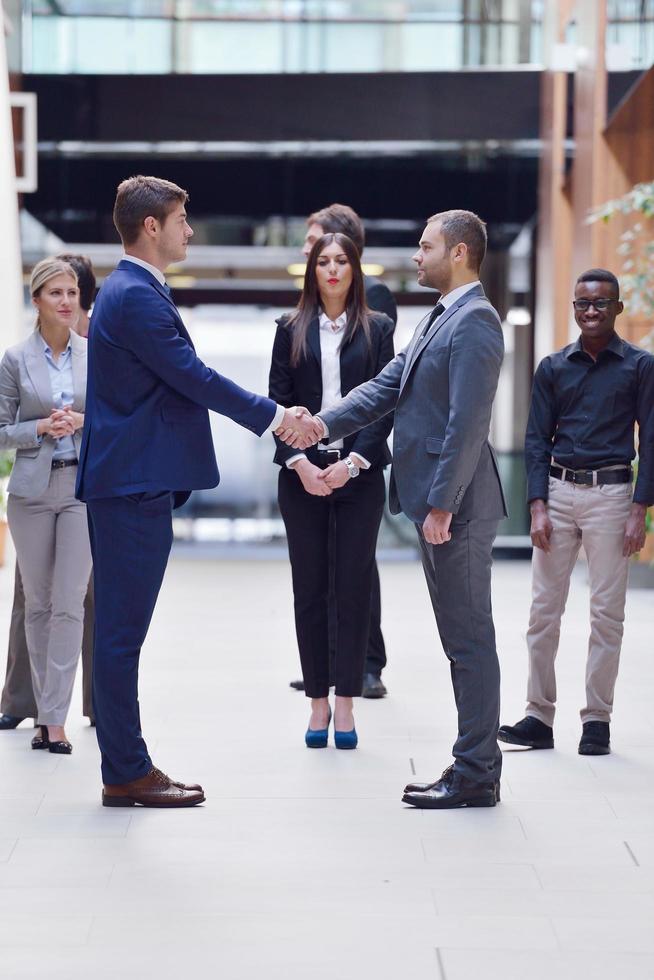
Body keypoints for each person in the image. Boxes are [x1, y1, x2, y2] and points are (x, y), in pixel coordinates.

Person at [77, 175, 320, 808]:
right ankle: (126, 771)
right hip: (131, 484)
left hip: (133, 481)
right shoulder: (134, 295)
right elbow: (192, 377)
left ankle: (126, 765)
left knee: (120, 632)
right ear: (151, 227)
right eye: (183, 220)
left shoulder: (135, 290)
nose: (190, 229)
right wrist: (274, 417)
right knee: (120, 635)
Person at [282, 209, 507, 808]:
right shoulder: (443, 317)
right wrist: (320, 424)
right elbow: (387, 386)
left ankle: (477, 772)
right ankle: (473, 763)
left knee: (468, 638)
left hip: (456, 506)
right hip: (441, 502)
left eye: (425, 245)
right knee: (460, 636)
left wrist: (440, 504)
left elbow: (467, 423)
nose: (415, 255)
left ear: (458, 253)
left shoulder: (476, 321)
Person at [498, 269, 654, 756]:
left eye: (601, 304)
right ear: (574, 306)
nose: (591, 311)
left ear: (617, 309)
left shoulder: (639, 367)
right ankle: (537, 717)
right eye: (583, 303)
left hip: (612, 496)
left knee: (607, 615)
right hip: (559, 493)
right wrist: (537, 505)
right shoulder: (553, 367)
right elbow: (535, 439)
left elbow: (650, 440)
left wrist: (639, 511)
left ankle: (596, 721)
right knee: (543, 613)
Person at [270, 232, 394, 748]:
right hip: (302, 477)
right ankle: (317, 704)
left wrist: (355, 462)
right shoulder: (290, 328)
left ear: (355, 268)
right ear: (313, 270)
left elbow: (388, 400)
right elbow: (277, 401)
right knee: (310, 590)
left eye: (343, 261)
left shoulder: (378, 327)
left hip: (359, 474)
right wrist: (300, 464)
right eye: (325, 261)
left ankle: (346, 705)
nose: (334, 269)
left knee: (352, 588)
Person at [0, 253, 96, 732]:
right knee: (36, 605)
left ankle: (54, 719)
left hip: (81, 488)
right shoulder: (15, 359)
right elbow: (0, 431)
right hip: (31, 491)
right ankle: (42, 712)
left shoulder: (96, 354)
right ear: (36, 299)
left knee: (69, 602)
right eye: (55, 293)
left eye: (72, 293)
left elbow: (118, 419)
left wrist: (83, 422)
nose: (66, 301)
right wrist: (38, 426)